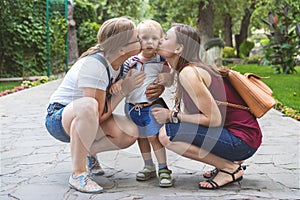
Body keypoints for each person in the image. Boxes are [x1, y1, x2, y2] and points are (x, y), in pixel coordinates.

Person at [45, 17, 164, 194]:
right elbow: (98, 114)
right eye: (137, 38)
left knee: (131, 131)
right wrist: (123, 90)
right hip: (59, 119)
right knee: (88, 105)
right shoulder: (95, 66)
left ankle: (87, 152)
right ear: (122, 48)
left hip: (89, 117)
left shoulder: (122, 63)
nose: (141, 40)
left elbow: (149, 78)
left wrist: (159, 88)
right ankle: (78, 174)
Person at [151, 23, 262, 189]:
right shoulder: (186, 70)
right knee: (176, 130)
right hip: (245, 138)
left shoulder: (189, 73)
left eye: (166, 38)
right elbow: (194, 120)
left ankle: (229, 168)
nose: (160, 41)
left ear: (179, 48)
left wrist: (172, 116)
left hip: (241, 141)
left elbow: (214, 119)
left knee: (167, 135)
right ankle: (225, 163)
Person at [111, 19, 174, 187]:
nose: (149, 42)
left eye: (154, 38)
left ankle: (163, 168)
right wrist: (118, 84)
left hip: (151, 107)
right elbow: (122, 79)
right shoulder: (130, 62)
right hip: (132, 108)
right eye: (144, 38)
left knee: (154, 137)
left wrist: (166, 79)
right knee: (141, 138)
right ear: (137, 39)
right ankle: (148, 166)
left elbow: (170, 80)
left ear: (160, 40)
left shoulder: (161, 61)